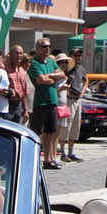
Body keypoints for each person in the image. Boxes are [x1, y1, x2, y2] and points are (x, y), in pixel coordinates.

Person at [27, 37, 66, 170]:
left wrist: (49, 77)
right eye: (44, 46)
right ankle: (34, 158)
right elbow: (41, 80)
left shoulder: (51, 61)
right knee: (36, 132)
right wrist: (53, 77)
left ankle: (48, 160)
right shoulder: (34, 63)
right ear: (37, 48)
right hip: (39, 102)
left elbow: (62, 74)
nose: (47, 48)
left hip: (52, 100)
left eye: (48, 46)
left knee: (50, 131)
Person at [59, 49, 87, 162]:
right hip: (68, 100)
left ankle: (71, 152)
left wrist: (83, 91)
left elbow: (86, 80)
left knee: (76, 127)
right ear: (70, 56)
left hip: (78, 100)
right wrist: (66, 91)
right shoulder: (67, 69)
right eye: (76, 55)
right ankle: (63, 152)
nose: (78, 57)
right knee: (66, 126)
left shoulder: (81, 69)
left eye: (80, 55)